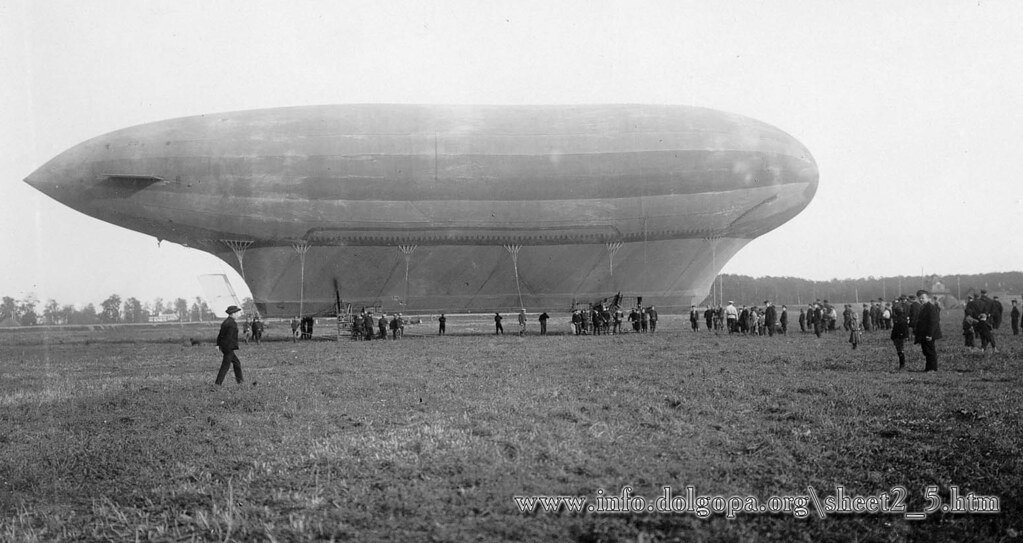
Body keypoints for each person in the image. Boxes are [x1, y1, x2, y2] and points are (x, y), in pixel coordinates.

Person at [215, 305, 244, 385]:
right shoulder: (231, 323)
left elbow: (221, 334)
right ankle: (217, 384)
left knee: (237, 363)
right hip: (228, 347)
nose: (238, 314)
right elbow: (229, 337)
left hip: (226, 347)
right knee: (225, 366)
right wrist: (230, 347)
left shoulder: (226, 322)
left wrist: (218, 344)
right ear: (232, 314)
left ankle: (240, 382)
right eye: (237, 313)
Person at [914, 290, 941, 372]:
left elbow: (933, 322)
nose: (921, 300)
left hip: (928, 334)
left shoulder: (930, 307)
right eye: (919, 298)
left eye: (923, 298)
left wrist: (930, 334)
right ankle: (928, 368)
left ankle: (932, 368)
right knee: (926, 351)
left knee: (930, 351)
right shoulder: (923, 307)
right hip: (924, 334)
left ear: (928, 298)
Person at [890, 295, 910, 370]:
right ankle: (902, 365)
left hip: (898, 337)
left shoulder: (898, 320)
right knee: (900, 350)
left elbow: (896, 329)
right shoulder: (903, 319)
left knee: (900, 351)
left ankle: (902, 365)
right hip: (900, 336)